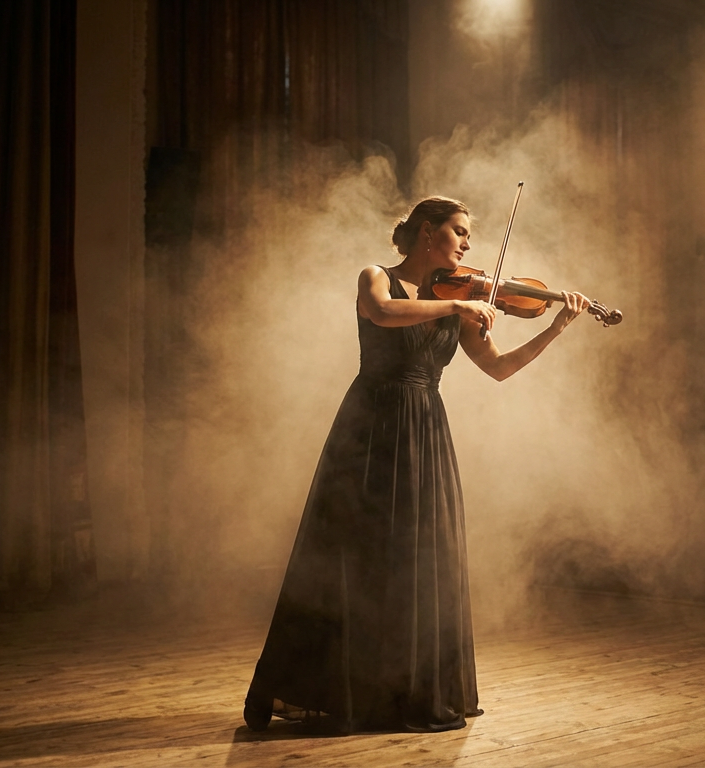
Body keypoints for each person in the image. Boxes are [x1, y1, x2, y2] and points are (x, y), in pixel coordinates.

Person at [243, 196, 590, 733]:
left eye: (469, 235)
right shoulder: (377, 277)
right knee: (357, 554)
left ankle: (403, 690)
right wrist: (455, 308)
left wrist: (555, 327)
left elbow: (498, 367)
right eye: (460, 232)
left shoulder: (462, 300)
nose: (469, 245)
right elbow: (382, 313)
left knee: (421, 559)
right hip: (371, 425)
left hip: (425, 428)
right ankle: (340, 686)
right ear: (428, 233)